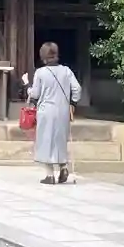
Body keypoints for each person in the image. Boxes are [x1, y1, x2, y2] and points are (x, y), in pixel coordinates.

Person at [25, 41, 82, 185]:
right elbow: (77, 88)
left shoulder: (40, 73)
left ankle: (49, 175)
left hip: (46, 111)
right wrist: (72, 103)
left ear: (43, 56)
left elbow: (35, 93)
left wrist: (27, 86)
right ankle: (63, 167)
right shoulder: (66, 71)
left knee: (46, 141)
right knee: (60, 140)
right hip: (63, 111)